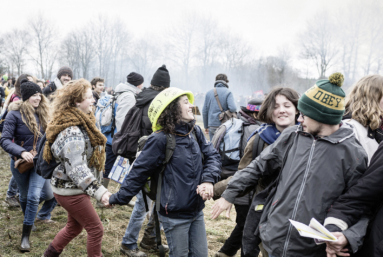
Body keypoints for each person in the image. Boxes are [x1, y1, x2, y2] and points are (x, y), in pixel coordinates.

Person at [211, 73, 369, 257]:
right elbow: (257, 167)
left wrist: (349, 236)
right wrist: (229, 194)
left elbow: (361, 206)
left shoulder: (354, 154)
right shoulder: (292, 135)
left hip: (313, 250)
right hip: (274, 242)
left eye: (304, 115)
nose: (299, 119)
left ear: (322, 117)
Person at [105, 87, 222, 257]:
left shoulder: (194, 132)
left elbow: (213, 156)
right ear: (172, 109)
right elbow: (138, 173)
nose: (191, 106)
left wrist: (208, 180)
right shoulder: (160, 139)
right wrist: (117, 198)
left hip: (196, 211)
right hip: (174, 215)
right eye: (185, 102)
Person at [214, 88, 300, 257]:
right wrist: (221, 192)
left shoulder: (308, 138)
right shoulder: (259, 139)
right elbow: (245, 174)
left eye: (287, 105)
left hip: (297, 211)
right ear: (269, 111)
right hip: (266, 212)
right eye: (276, 106)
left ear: (297, 109)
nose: (282, 110)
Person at [42, 78, 112, 257]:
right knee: (96, 229)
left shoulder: (84, 120)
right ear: (76, 102)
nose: (94, 100)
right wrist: (100, 192)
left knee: (74, 227)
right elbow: (77, 168)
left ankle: (49, 254)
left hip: (73, 186)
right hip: (69, 189)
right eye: (89, 97)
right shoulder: (72, 131)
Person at [323, 74, 383, 257]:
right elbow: (351, 191)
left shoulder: (375, 133)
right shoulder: (349, 131)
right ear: (372, 97)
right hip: (343, 221)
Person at [118, 65, 170, 257]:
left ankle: (150, 240)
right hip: (149, 159)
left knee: (155, 201)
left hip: (141, 156)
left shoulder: (142, 96)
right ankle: (128, 243)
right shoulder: (157, 103)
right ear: (165, 88)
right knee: (144, 203)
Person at [0, 79, 57, 252]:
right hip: (20, 163)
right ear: (25, 97)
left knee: (38, 196)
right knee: (25, 197)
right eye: (34, 95)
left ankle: (27, 231)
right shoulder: (14, 115)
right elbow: (4, 139)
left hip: (39, 162)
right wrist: (20, 151)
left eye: (39, 94)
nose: (38, 98)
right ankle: (27, 229)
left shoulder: (45, 113)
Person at [97, 71, 144, 205]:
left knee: (111, 166)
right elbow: (123, 120)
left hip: (112, 136)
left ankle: (104, 196)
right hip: (119, 139)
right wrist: (125, 138)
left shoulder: (120, 91)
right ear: (138, 84)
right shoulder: (129, 96)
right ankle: (108, 197)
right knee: (121, 166)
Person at [3, 74, 34, 208]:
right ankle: (11, 195)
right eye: (28, 83)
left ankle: (12, 195)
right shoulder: (17, 101)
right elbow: (7, 133)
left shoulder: (38, 106)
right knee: (19, 168)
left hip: (30, 149)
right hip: (19, 145)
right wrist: (18, 149)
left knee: (20, 171)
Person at [203, 74, 237, 140]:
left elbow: (204, 111)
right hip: (225, 125)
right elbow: (233, 108)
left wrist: (206, 126)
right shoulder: (228, 92)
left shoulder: (208, 93)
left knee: (213, 147)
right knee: (224, 147)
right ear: (226, 81)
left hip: (212, 125)